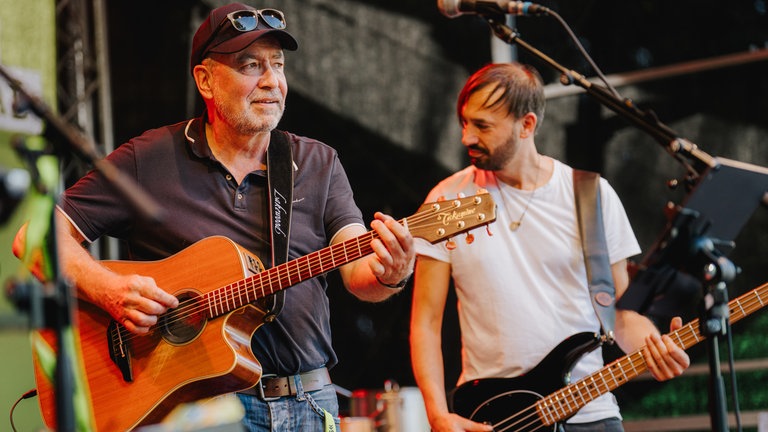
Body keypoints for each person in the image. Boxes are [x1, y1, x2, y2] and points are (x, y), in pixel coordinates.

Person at [24, 3, 415, 431]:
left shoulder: (318, 162)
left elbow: (359, 271)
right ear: (205, 80)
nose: (272, 82)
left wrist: (391, 273)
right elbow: (35, 237)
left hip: (307, 401)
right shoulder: (150, 158)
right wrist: (107, 289)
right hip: (198, 412)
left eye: (278, 65)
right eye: (251, 65)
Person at [409, 62, 690, 432]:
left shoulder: (590, 195)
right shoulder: (446, 201)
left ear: (526, 125)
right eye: (465, 122)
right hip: (495, 415)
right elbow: (426, 323)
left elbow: (621, 311)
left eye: (482, 126)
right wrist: (437, 414)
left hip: (591, 412)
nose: (467, 138)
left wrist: (655, 348)